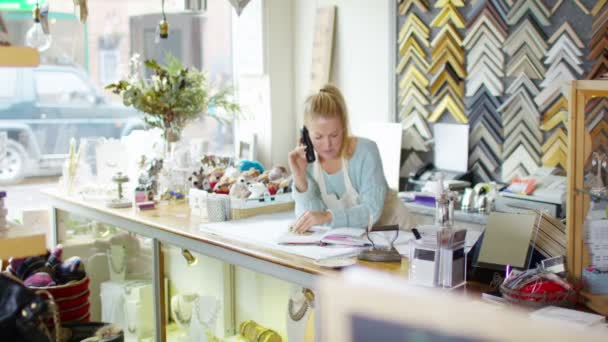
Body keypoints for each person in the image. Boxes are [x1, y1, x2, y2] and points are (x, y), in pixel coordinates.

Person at [288, 84, 413, 233]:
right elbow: (310, 219)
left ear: (344, 128)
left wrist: (327, 217)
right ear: (306, 134)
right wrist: (300, 178)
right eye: (318, 137)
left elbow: (371, 211)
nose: (327, 145)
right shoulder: (306, 161)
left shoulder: (366, 152)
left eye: (334, 135)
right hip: (355, 241)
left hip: (397, 233)